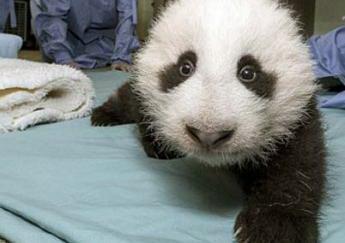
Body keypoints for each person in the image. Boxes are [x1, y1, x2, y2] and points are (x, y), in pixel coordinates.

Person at [30, 0, 140, 71]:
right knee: (61, 64)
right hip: (66, 32)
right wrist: (63, 57)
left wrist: (122, 57)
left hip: (104, 36)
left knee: (109, 60)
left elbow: (127, 16)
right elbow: (53, 16)